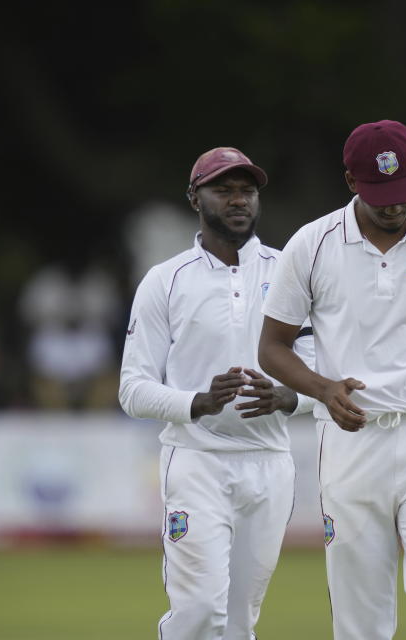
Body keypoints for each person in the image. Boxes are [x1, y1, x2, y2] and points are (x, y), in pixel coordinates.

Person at [259, 120, 406, 640]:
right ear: (350, 182)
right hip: (349, 442)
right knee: (360, 620)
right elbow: (272, 346)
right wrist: (323, 389)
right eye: (381, 196)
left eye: (404, 193)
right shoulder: (312, 245)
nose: (394, 206)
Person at [119, 147, 315, 639]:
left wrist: (289, 397)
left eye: (246, 190)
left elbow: (322, 371)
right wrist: (195, 402)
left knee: (238, 621)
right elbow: (132, 388)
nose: (237, 200)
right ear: (194, 198)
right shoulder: (165, 281)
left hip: (270, 460)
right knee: (200, 613)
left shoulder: (289, 272)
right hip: (196, 459)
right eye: (223, 190)